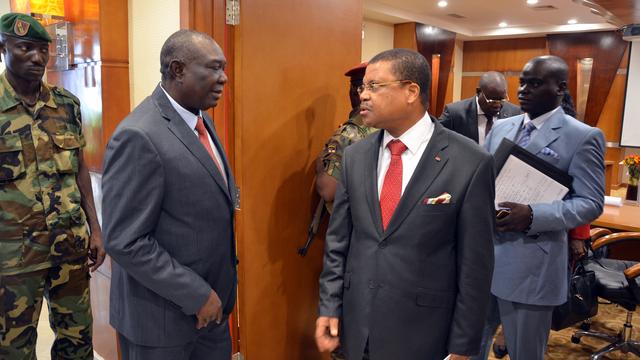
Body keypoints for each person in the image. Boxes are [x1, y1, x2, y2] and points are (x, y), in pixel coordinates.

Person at [315, 48, 495, 359]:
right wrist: (329, 306)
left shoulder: (469, 161)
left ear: (411, 91)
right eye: (362, 87)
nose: (363, 96)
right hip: (359, 329)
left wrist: (463, 346)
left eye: (374, 86)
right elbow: (338, 242)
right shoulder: (355, 156)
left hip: (425, 334)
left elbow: (475, 266)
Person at [102, 30, 237, 359]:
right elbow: (124, 240)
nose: (224, 78)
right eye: (214, 68)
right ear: (178, 70)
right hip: (160, 322)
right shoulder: (139, 135)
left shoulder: (202, 121)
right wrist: (196, 295)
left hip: (211, 316)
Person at [481, 55, 605, 360]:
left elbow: (590, 203)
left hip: (530, 265)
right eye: (522, 83)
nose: (523, 90)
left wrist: (533, 215)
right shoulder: (502, 127)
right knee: (467, 347)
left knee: (524, 352)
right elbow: (482, 179)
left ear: (560, 88)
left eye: (535, 84)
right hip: (482, 260)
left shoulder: (582, 136)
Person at [0, 13, 105, 360]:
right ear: (3, 48)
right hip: (14, 257)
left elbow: (79, 169)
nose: (36, 57)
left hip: (69, 246)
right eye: (25, 48)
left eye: (42, 50)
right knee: (14, 350)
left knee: (77, 343)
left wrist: (96, 229)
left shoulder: (65, 104)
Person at [316, 62, 378, 212]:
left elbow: (328, 191)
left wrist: (319, 164)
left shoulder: (347, 135)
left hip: (354, 224)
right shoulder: (393, 127)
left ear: (355, 92)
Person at [439, 71, 520, 146]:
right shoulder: (454, 113)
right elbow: (436, 139)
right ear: (478, 92)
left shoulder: (515, 113)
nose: (497, 105)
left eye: (502, 99)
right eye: (492, 100)